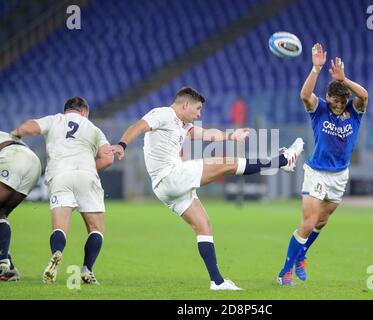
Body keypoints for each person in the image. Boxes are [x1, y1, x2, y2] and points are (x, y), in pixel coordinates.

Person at [112, 87, 304, 290]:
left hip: (164, 187)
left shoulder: (183, 125)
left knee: (204, 226)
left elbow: (207, 134)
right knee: (227, 164)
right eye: (197, 108)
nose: (199, 114)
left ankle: (217, 282)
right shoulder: (163, 114)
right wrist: (122, 145)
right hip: (171, 176)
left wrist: (232, 136)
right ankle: (282, 161)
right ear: (185, 105)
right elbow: (139, 126)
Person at [277, 43, 369, 285]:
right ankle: (284, 272)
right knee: (307, 223)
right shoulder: (319, 110)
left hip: (340, 175)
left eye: (342, 100)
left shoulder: (355, 111)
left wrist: (345, 79)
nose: (338, 104)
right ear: (327, 97)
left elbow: (365, 95)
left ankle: (302, 257)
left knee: (321, 222)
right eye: (334, 100)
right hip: (316, 172)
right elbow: (304, 95)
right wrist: (316, 68)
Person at [11, 96, 114, 285]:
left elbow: (29, 128)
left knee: (59, 227)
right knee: (96, 228)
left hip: (60, 176)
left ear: (67, 110)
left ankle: (57, 253)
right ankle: (87, 270)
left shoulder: (55, 120)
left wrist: (15, 133)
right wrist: (89, 167)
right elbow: (108, 158)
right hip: (86, 175)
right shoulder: (93, 128)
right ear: (84, 111)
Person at [0, 132, 41, 281]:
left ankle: (3, 261)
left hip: (13, 156)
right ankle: (8, 268)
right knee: (1, 213)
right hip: (33, 163)